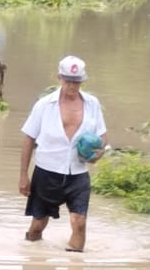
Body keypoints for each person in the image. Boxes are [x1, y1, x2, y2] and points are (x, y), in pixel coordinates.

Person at [18, 55, 106, 252]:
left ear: (82, 81)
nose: (72, 86)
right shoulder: (44, 105)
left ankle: (75, 265)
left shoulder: (92, 104)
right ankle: (31, 257)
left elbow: (102, 136)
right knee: (38, 225)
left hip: (78, 174)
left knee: (80, 223)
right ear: (59, 78)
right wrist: (23, 175)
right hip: (47, 172)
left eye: (77, 82)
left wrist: (98, 153)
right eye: (68, 81)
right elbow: (29, 138)